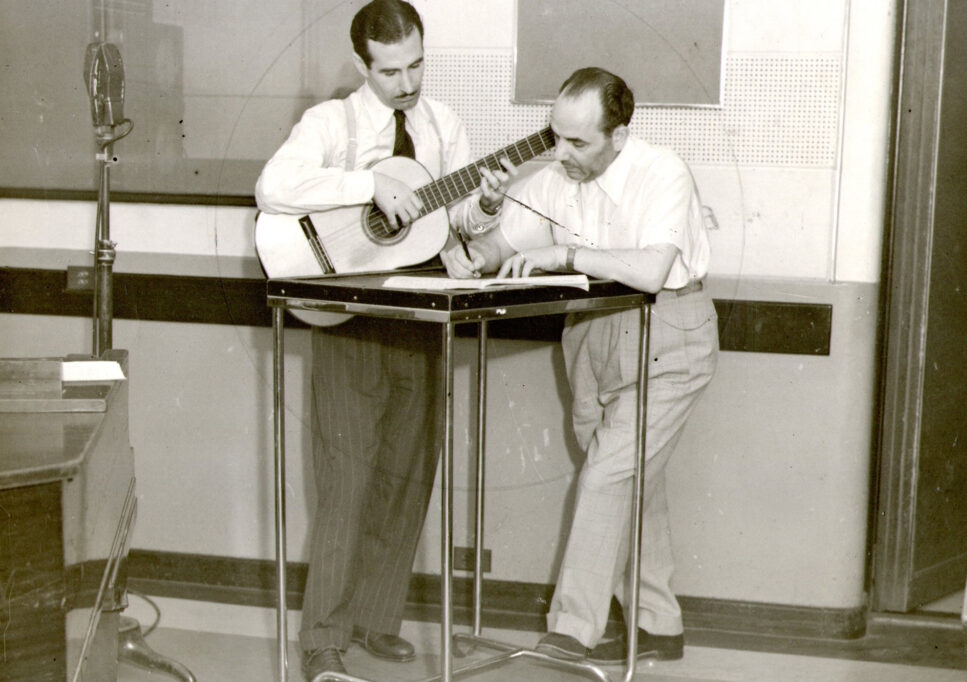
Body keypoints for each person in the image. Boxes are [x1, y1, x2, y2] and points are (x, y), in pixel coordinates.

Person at [254, 1, 512, 679]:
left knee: (406, 473)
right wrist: (371, 182)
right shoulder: (331, 123)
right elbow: (274, 187)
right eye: (391, 70)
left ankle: (374, 618)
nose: (408, 82)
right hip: (346, 316)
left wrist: (484, 205)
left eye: (417, 64)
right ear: (364, 65)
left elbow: (457, 220)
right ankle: (324, 641)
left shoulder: (443, 125)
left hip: (423, 318)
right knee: (346, 481)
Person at [441, 67, 718, 665]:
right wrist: (480, 235)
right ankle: (657, 622)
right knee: (628, 476)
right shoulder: (554, 178)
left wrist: (562, 252)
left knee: (607, 476)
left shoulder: (661, 171)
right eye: (555, 136)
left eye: (578, 142)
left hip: (668, 330)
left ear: (619, 136)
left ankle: (570, 636)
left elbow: (648, 269)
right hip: (590, 334)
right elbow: (496, 250)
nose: (559, 152)